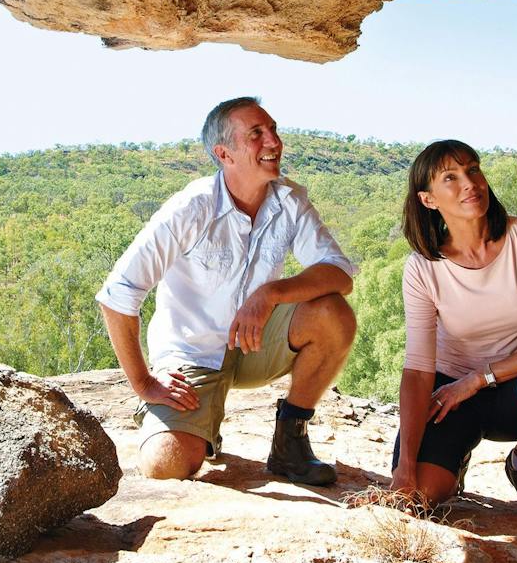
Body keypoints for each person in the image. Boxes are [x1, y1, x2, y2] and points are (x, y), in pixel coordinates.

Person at [97, 97, 358, 485]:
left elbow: (339, 273)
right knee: (166, 466)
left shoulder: (290, 200)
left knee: (333, 314)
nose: (273, 142)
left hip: (256, 342)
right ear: (224, 154)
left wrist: (269, 294)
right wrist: (144, 383)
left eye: (273, 130)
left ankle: (290, 440)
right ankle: (192, 425)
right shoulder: (192, 207)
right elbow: (118, 293)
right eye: (256, 134)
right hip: (193, 353)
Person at [388, 139, 517, 519]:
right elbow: (417, 370)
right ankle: (454, 460)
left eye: (473, 169)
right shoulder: (422, 268)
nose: (470, 183)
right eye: (451, 177)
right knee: (421, 497)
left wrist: (478, 379)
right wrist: (405, 467)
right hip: (448, 395)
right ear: (428, 199)